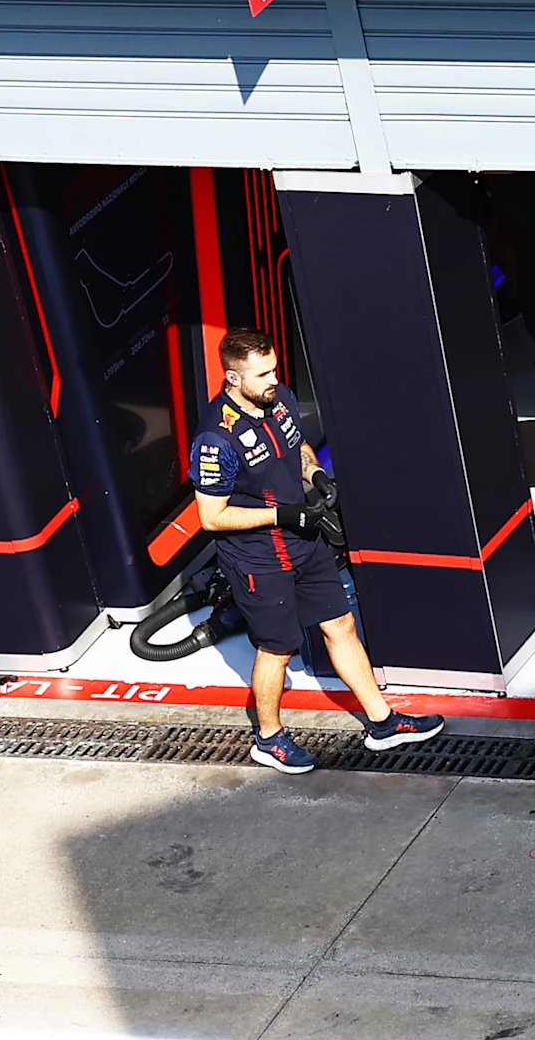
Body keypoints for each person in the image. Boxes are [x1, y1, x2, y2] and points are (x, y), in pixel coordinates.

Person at [187, 330, 445, 773]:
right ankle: (268, 739)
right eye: (262, 373)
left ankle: (382, 723)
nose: (274, 379)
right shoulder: (216, 437)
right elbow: (211, 517)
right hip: (257, 560)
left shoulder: (280, 398)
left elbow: (298, 445)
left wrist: (317, 475)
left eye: (274, 368)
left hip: (304, 543)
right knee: (278, 647)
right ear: (232, 377)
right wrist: (280, 516)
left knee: (341, 624)